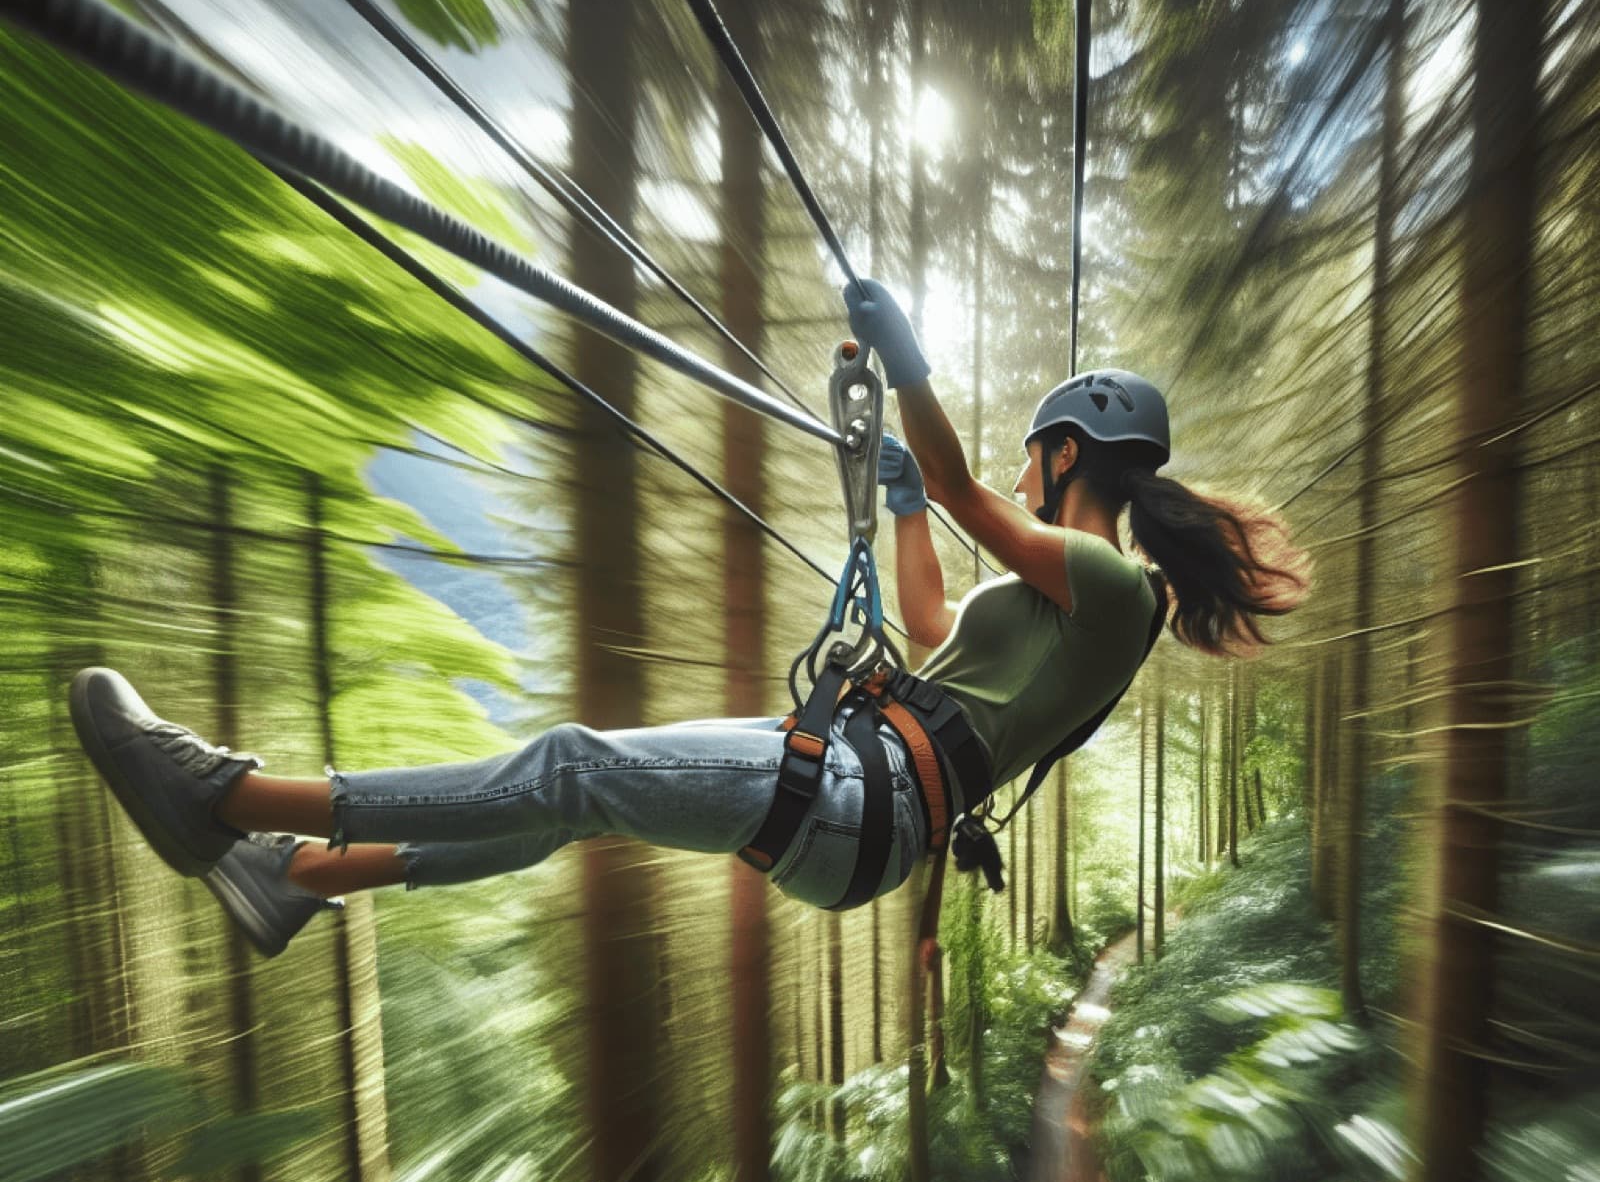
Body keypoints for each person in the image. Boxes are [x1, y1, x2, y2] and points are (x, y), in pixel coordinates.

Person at [68, 281, 1307, 958]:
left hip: (857, 794)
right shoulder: (1066, 599)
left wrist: (914, 367)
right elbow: (930, 615)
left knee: (565, 765)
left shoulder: (1109, 584)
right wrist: (904, 505)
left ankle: (225, 803)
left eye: (1033, 455)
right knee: (572, 802)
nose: (1020, 469)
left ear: (1063, 450)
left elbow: (978, 494)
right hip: (863, 800)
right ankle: (299, 878)